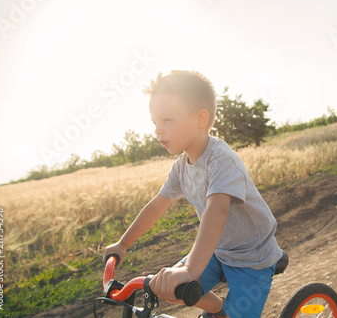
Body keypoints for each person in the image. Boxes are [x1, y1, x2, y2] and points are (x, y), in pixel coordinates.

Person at [102, 70, 283, 317]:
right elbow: (157, 205)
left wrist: (190, 270)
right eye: (154, 122)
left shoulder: (221, 160)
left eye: (166, 120)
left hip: (252, 257)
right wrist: (123, 244)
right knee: (173, 290)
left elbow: (216, 213)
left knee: (222, 306)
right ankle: (219, 308)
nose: (157, 130)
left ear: (200, 119)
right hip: (218, 251)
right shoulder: (181, 166)